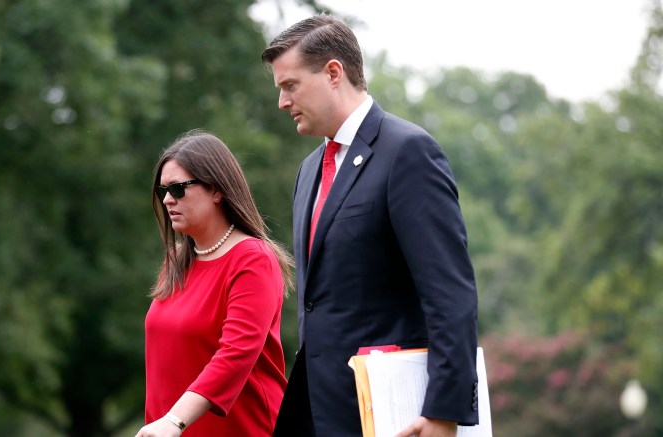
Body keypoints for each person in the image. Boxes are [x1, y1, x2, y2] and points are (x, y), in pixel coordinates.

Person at [261, 14, 479, 437]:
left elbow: (450, 294)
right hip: (319, 413)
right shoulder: (308, 171)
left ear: (333, 73)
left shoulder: (408, 152)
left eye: (290, 86)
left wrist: (442, 411)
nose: (282, 103)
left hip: (395, 416)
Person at [136, 130, 293, 437]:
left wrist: (175, 420)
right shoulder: (176, 259)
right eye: (162, 191)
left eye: (178, 188)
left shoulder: (253, 259)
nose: (168, 200)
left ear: (217, 190)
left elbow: (235, 354)